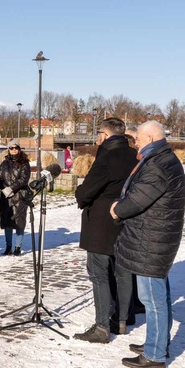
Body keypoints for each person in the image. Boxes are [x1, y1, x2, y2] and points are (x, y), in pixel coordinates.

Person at [110, 121, 185, 368]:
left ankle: (154, 355)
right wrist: (134, 133)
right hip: (155, 237)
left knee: (152, 299)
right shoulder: (163, 157)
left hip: (151, 240)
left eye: (139, 140)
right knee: (158, 296)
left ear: (151, 137)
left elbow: (137, 200)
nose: (136, 144)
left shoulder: (158, 166)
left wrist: (117, 210)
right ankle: (156, 343)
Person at [73, 118, 138, 343]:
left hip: (101, 223)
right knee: (123, 271)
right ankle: (122, 319)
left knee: (99, 272)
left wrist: (79, 192)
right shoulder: (135, 156)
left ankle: (102, 326)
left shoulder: (106, 157)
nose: (97, 137)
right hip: (127, 219)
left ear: (106, 135)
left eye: (99, 133)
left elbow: (86, 192)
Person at [0, 140, 30, 256]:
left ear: (19, 149)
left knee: (19, 222)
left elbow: (23, 179)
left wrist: (11, 188)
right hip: (6, 197)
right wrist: (3, 188)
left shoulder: (25, 163)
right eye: (11, 148)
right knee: (7, 222)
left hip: (19, 195)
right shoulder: (4, 163)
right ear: (8, 149)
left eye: (16, 148)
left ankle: (18, 247)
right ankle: (8, 246)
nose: (14, 150)